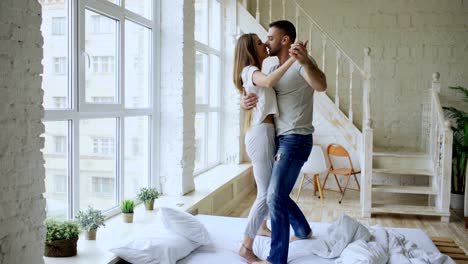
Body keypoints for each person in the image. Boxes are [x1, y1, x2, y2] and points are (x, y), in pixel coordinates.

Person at [243, 20, 327, 264]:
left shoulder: (301, 65)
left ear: (285, 40)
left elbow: (321, 86)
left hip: (296, 139)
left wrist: (305, 61)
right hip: (279, 139)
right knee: (274, 192)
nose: (266, 41)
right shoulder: (271, 68)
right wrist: (244, 102)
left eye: (270, 37)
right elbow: (260, 90)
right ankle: (302, 230)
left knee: (273, 196)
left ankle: (276, 258)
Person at [233, 33, 298, 263]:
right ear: (251, 48)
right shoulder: (250, 71)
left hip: (265, 133)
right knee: (265, 192)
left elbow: (263, 89)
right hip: (260, 134)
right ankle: (246, 246)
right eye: (260, 43)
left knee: (267, 188)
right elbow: (269, 82)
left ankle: (261, 227)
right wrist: (293, 58)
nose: (265, 45)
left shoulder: (256, 72)